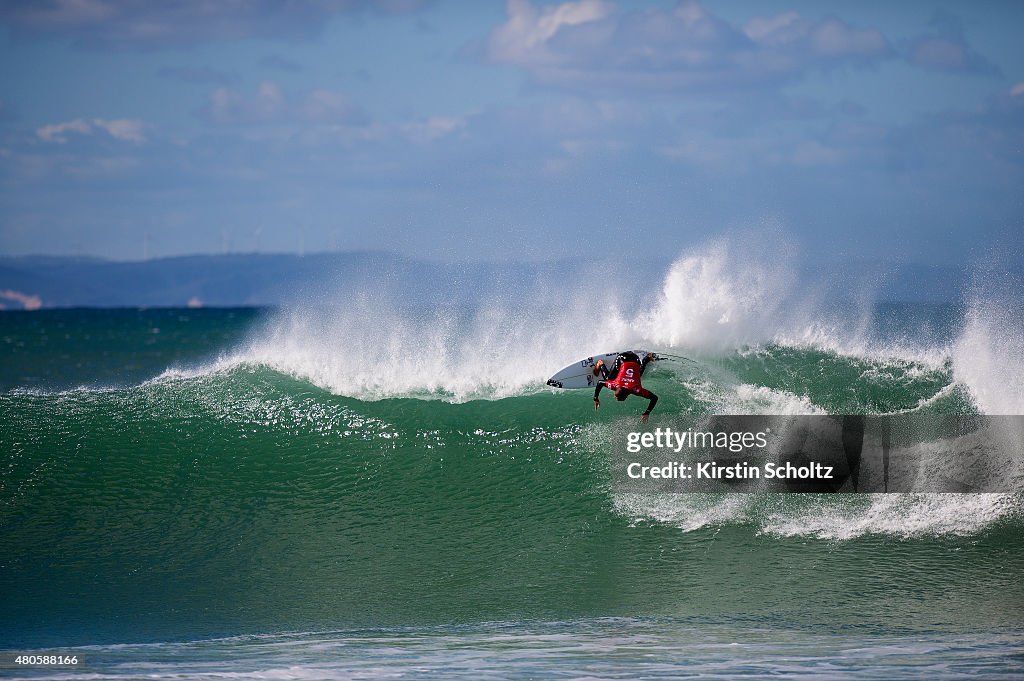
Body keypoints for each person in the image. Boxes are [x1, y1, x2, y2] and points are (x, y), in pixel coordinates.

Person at [593, 351, 659, 422]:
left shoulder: (637, 389)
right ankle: (600, 364)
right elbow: (600, 382)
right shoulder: (615, 385)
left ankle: (647, 358)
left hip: (635, 359)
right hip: (623, 358)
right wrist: (595, 398)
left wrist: (647, 413)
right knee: (608, 379)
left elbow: (654, 398)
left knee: (638, 375)